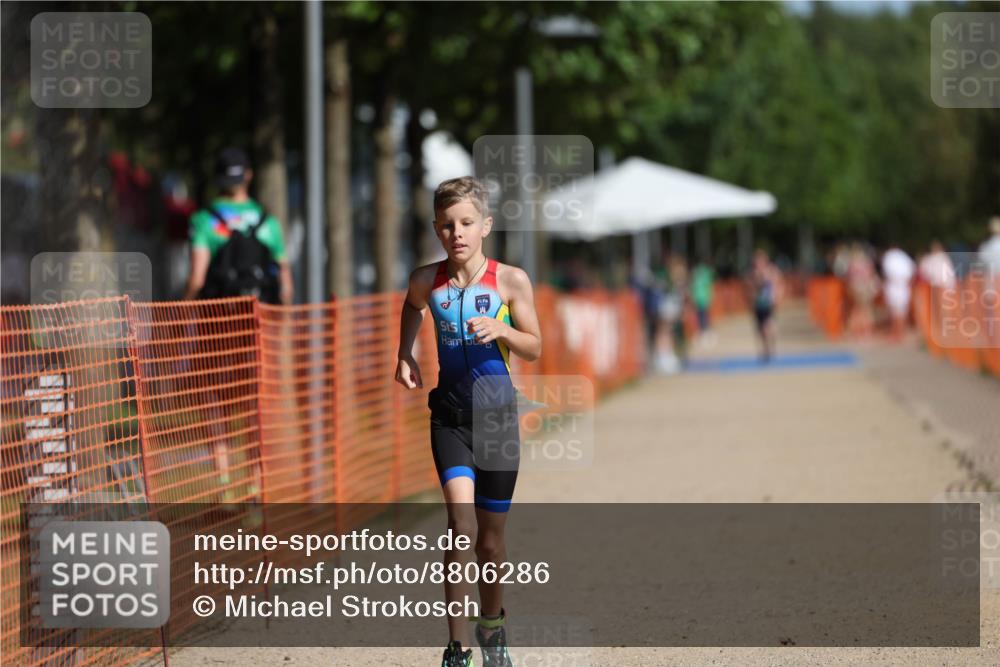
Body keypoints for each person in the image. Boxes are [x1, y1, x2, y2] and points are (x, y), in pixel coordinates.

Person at [395, 176, 542, 667]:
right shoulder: (425, 280)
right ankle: (456, 648)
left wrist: (503, 327)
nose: (456, 233)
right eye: (446, 225)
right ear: (437, 230)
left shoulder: (509, 280)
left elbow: (535, 347)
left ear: (485, 226)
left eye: (465, 223)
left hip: (498, 420)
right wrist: (404, 355)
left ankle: (493, 627)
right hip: (450, 420)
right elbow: (411, 308)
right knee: (458, 528)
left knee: (490, 539)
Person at [184, 147, 293, 305]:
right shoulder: (269, 223)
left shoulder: (204, 220)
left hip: (219, 322)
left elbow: (196, 280)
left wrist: (183, 313)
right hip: (261, 322)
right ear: (248, 175)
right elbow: (286, 289)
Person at [747, 249, 782, 362]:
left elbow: (779, 285)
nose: (758, 264)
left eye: (760, 261)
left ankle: (771, 347)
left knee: (768, 328)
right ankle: (765, 351)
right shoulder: (752, 274)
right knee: (760, 331)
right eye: (756, 261)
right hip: (758, 305)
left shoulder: (772, 271)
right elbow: (749, 289)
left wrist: (777, 297)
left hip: (769, 305)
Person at [881, 244, 915, 341]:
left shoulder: (889, 256)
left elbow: (886, 272)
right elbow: (912, 270)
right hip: (903, 287)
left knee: (895, 312)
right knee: (901, 311)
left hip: (894, 287)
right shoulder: (904, 257)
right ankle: (900, 333)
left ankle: (896, 333)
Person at [845, 243, 879, 338]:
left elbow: (849, 279)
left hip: (856, 288)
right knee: (866, 310)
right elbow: (871, 276)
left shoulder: (852, 264)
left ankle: (857, 330)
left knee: (858, 310)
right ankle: (866, 330)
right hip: (865, 288)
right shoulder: (866, 264)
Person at [690, 259, 715, 341]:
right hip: (702, 298)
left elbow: (707, 285)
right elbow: (709, 285)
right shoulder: (704, 272)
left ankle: (706, 331)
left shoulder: (698, 273)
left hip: (702, 298)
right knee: (702, 315)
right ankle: (704, 331)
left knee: (703, 315)